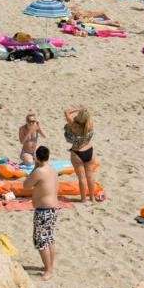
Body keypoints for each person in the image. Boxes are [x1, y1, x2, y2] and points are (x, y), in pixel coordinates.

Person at [23, 145, 59, 278]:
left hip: (44, 210)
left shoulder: (39, 171)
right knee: (49, 238)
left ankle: (48, 270)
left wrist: (34, 167)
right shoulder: (53, 170)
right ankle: (50, 266)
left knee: (41, 241)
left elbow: (26, 185)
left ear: (37, 158)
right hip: (53, 209)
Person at [63, 107, 99, 203]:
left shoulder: (74, 125)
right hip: (89, 151)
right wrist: (84, 111)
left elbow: (66, 112)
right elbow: (88, 117)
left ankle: (83, 199)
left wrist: (78, 109)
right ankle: (92, 198)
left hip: (77, 153)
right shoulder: (90, 124)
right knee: (90, 176)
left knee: (81, 177)